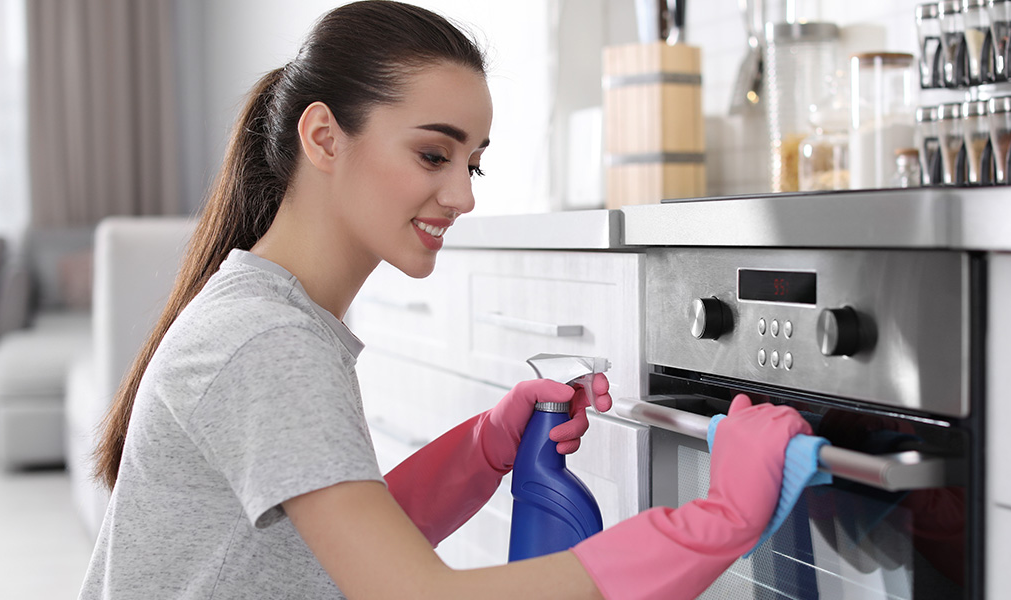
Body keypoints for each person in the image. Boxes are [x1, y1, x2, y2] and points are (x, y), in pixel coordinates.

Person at [79, 2, 811, 599]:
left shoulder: (274, 316)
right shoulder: (268, 341)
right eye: (433, 155)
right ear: (324, 138)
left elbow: (340, 553)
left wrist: (482, 447)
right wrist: (720, 518)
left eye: (473, 164)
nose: (462, 195)